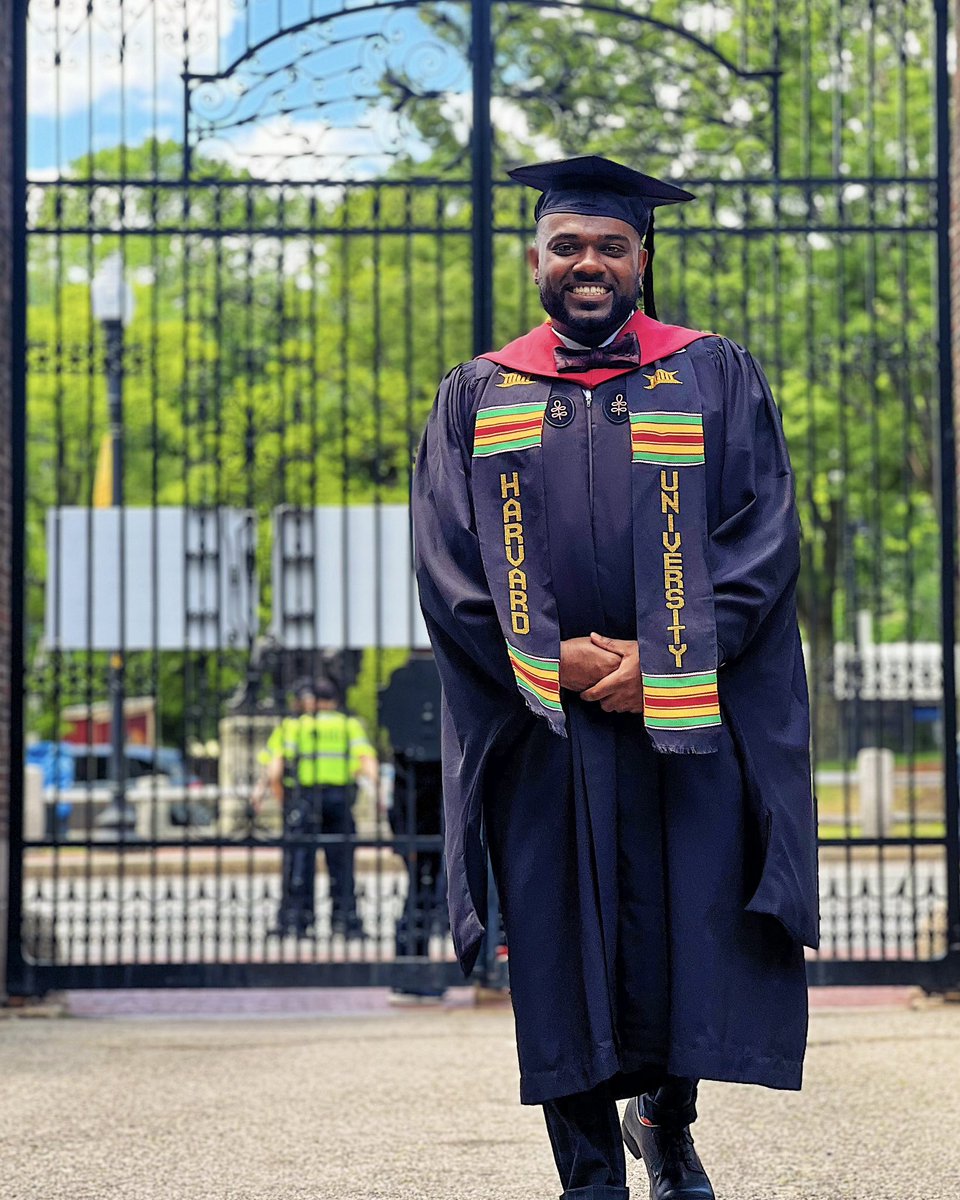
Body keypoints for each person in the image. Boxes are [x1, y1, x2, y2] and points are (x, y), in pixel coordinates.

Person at [412, 155, 819, 1200]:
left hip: (678, 711)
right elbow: (450, 560)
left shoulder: (710, 372)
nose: (587, 263)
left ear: (642, 257)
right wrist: (549, 658)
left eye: (609, 245)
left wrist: (669, 655)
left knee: (684, 937)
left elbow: (763, 535)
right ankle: (586, 1169)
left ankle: (668, 1129)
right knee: (558, 949)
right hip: (546, 725)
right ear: (535, 258)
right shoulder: (481, 390)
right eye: (567, 245)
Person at [260, 678, 377, 939]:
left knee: (300, 862)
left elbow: (275, 768)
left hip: (304, 799)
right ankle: (345, 922)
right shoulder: (349, 725)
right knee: (342, 863)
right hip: (339, 799)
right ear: (334, 700)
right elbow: (367, 762)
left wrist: (280, 798)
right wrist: (378, 795)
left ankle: (296, 921)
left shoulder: (295, 725)